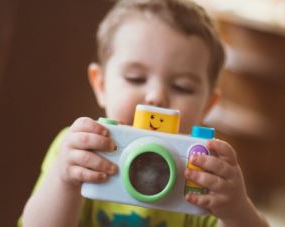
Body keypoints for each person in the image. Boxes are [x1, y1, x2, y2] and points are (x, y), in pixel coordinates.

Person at [21, 0, 269, 226]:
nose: (156, 97)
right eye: (136, 78)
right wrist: (64, 181)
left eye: (181, 86)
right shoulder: (82, 149)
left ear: (207, 106)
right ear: (102, 85)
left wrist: (236, 209)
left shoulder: (202, 171)